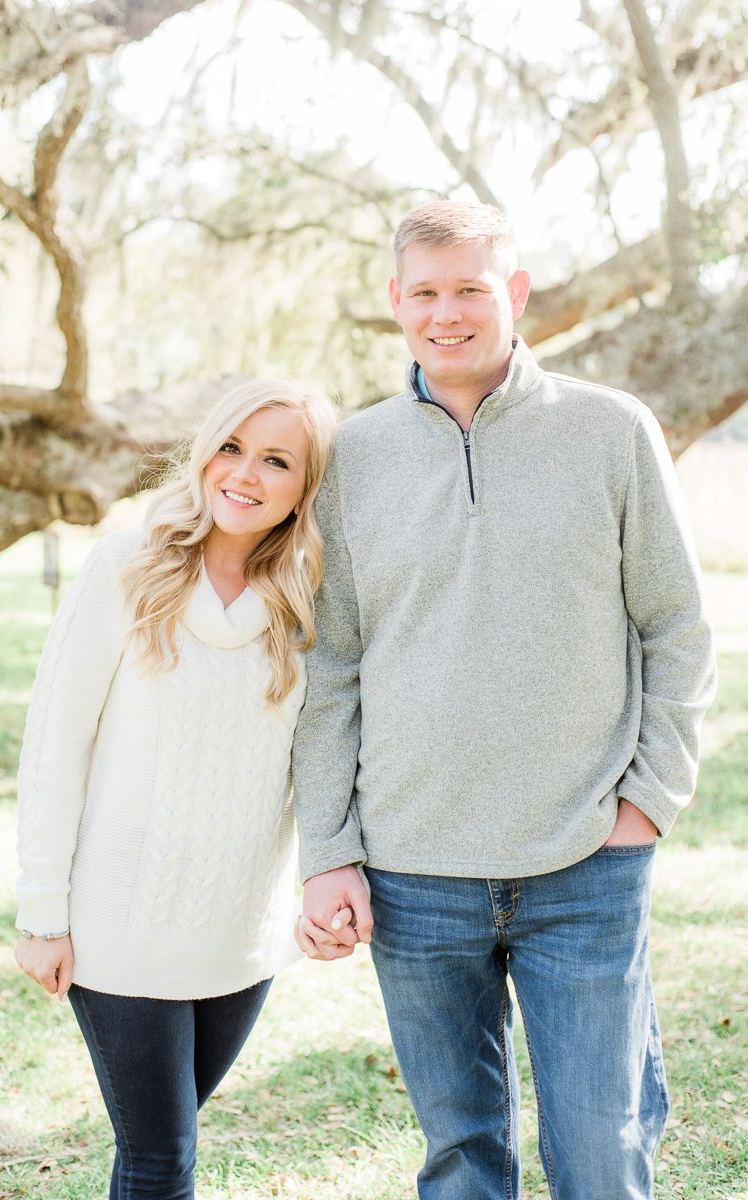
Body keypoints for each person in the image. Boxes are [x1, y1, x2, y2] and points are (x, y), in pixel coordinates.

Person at [291, 201, 716, 1200]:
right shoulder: (353, 456)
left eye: (471, 288)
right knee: (463, 1161)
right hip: (413, 873)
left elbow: (677, 630)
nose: (449, 313)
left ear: (514, 295)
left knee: (602, 1156)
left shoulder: (611, 432)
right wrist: (329, 853)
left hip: (583, 865)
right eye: (426, 293)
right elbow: (333, 665)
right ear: (396, 304)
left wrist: (646, 804)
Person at [14, 378, 338, 1200]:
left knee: (164, 1141)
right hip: (120, 930)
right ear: (201, 454)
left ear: (304, 487)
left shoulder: (307, 605)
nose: (245, 474)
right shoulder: (124, 568)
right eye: (231, 447)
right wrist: (41, 913)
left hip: (241, 936)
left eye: (276, 460)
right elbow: (56, 747)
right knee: (161, 1161)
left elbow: (327, 757)